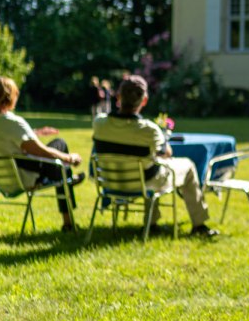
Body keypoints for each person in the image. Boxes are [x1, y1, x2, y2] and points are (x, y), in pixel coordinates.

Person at [92, 75, 218, 237]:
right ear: (144, 101)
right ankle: (199, 224)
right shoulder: (149, 130)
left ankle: (152, 222)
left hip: (110, 182)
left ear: (118, 97)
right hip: (143, 182)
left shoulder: (99, 123)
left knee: (150, 165)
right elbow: (167, 153)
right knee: (186, 166)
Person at [0, 76, 84, 232]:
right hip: (25, 177)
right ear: (9, 98)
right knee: (60, 146)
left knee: (61, 170)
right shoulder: (13, 122)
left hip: (2, 178)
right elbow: (41, 151)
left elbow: (6, 139)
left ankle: (68, 179)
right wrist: (69, 158)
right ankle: (68, 215)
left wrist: (35, 133)